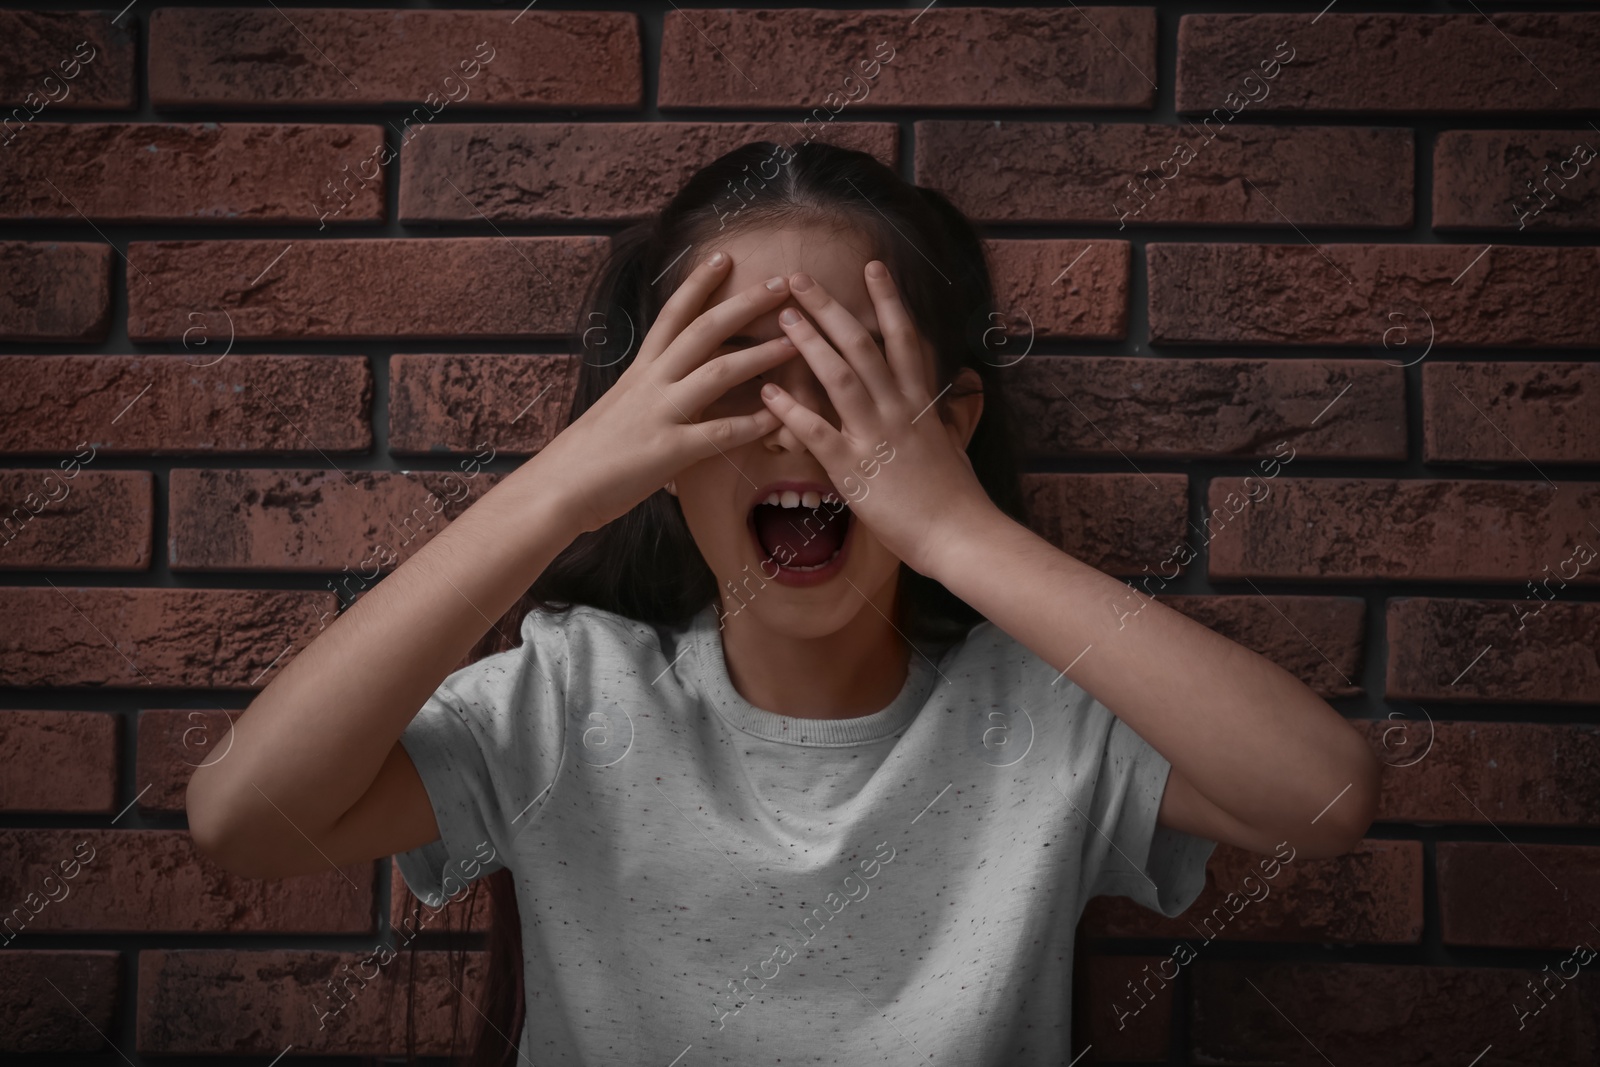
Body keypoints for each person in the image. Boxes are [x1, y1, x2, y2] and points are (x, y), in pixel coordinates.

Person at [184, 140, 1381, 1066]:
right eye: (739, 378)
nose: (800, 436)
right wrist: (557, 488)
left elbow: (1323, 794)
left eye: (846, 380)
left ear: (949, 421)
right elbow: (242, 818)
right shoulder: (569, 699)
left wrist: (954, 524)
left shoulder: (1047, 715)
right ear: (649, 441)